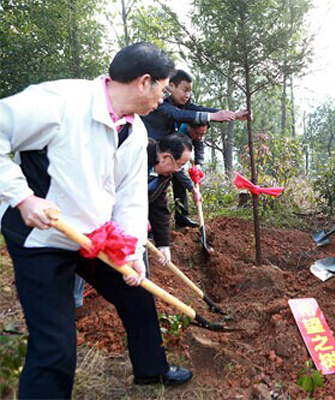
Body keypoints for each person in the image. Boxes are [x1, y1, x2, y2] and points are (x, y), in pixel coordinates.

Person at [0, 42, 192, 399]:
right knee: (55, 346)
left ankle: (151, 370)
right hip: (42, 237)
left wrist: (132, 252)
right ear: (143, 82)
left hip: (92, 237)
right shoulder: (58, 101)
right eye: (163, 89)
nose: (163, 100)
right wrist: (21, 197)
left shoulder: (134, 133)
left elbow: (131, 198)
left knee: (137, 295)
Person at [142, 69, 249, 228]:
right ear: (171, 86)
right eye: (184, 90)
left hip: (164, 152)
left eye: (190, 91)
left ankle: (175, 219)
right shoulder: (160, 102)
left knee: (164, 183)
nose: (187, 95)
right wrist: (211, 117)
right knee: (145, 185)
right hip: (147, 149)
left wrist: (232, 115)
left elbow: (199, 109)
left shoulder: (183, 106)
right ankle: (143, 223)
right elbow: (177, 115)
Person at [148, 134, 194, 267]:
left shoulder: (165, 175)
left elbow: (159, 207)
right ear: (165, 157)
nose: (178, 170)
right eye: (179, 165)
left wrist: (163, 245)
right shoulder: (138, 154)